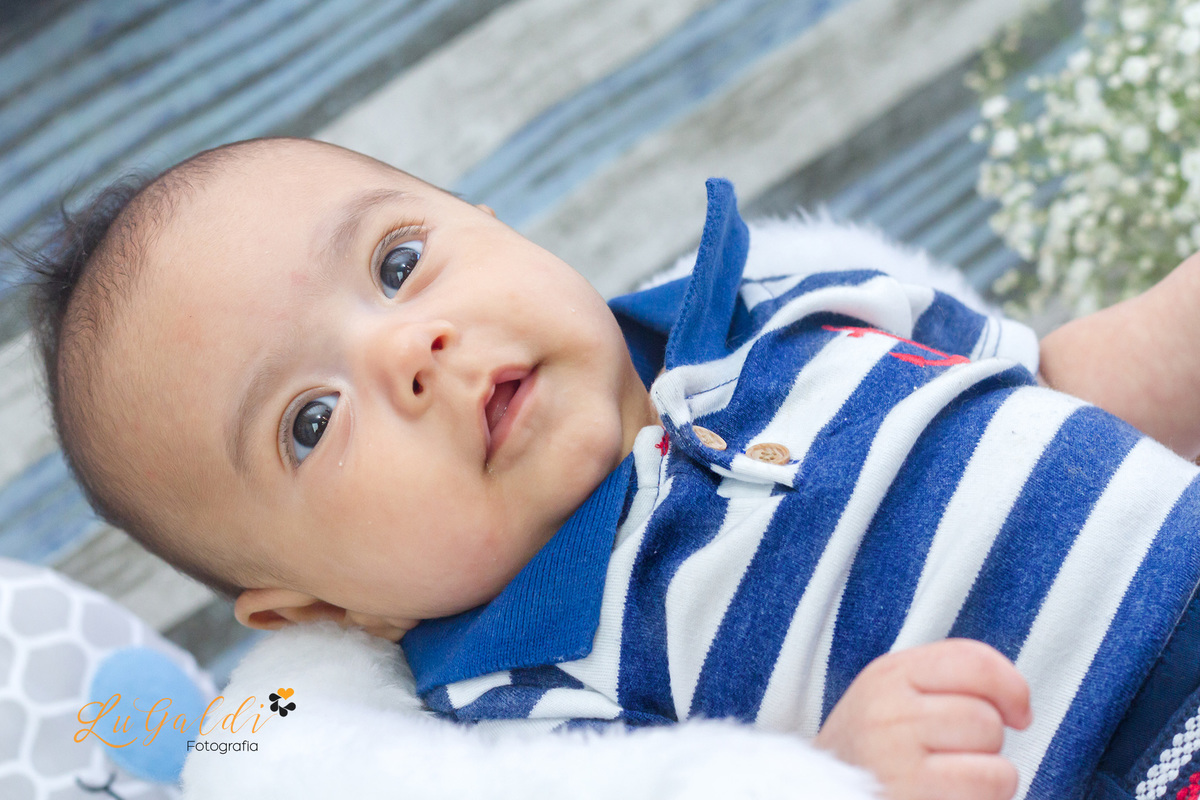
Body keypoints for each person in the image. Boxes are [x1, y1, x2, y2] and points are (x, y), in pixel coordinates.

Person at [25, 136, 1200, 800]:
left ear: (498, 222)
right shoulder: (526, 692)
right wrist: (835, 774)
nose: (410, 348)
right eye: (310, 418)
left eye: (396, 263)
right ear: (329, 604)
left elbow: (1051, 379)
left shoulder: (775, 300)